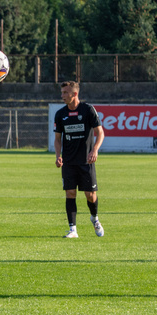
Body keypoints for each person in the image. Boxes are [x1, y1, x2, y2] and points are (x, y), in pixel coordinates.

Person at [54, 80, 105, 238]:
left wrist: (95, 150)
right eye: (62, 93)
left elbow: (100, 133)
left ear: (74, 94)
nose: (62, 96)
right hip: (69, 162)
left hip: (86, 161)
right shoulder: (60, 114)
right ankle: (72, 229)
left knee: (90, 195)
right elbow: (57, 139)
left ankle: (94, 218)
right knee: (70, 193)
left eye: (65, 93)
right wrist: (58, 156)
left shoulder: (88, 110)